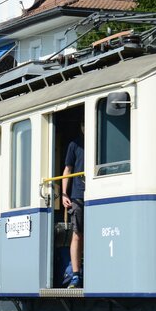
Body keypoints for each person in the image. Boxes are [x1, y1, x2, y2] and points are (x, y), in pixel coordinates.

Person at [61, 122, 85, 288]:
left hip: (98, 194)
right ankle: (76, 275)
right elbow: (67, 169)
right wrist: (64, 194)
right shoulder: (74, 144)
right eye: (83, 124)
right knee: (77, 234)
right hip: (78, 195)